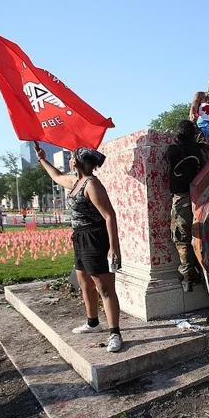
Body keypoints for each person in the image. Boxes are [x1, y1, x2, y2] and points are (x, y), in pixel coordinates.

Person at [34, 142, 124, 352]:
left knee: (105, 288)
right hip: (80, 238)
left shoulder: (92, 185)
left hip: (95, 239)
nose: (69, 159)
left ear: (77, 162)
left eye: (72, 157)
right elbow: (56, 176)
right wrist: (42, 159)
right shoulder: (76, 181)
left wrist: (114, 247)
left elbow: (109, 215)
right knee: (84, 282)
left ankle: (115, 334)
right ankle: (92, 322)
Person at [165, 120, 207, 292]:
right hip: (200, 198)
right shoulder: (199, 150)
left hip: (181, 198)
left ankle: (188, 276)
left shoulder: (173, 150)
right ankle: (203, 274)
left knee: (181, 238)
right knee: (200, 236)